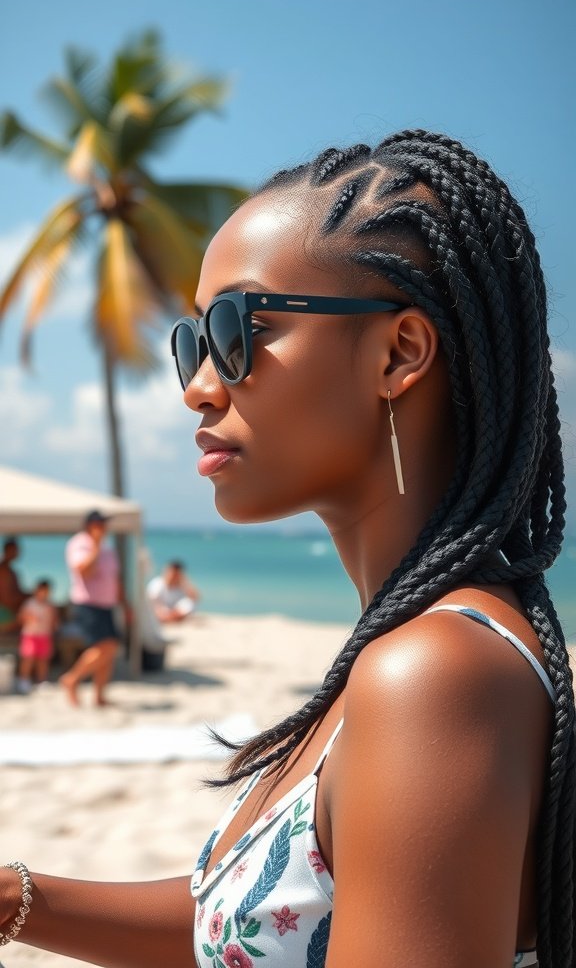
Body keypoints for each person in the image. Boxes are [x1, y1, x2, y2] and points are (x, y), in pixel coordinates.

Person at [0, 129, 573, 968]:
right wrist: (19, 900)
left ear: (399, 353)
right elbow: (250, 926)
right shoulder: (411, 648)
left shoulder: (433, 675)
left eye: (236, 328)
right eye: (191, 343)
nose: (198, 384)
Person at [59, 510, 122, 708]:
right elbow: (84, 572)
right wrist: (95, 545)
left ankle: (99, 696)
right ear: (91, 525)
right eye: (100, 524)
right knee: (104, 647)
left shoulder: (106, 547)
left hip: (107, 605)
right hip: (88, 604)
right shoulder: (79, 543)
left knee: (109, 650)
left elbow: (115, 579)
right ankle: (72, 678)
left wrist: (125, 603)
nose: (104, 527)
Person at [15, 578, 58, 694]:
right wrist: (29, 618)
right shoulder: (29, 603)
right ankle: (23, 680)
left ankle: (42, 681)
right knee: (28, 658)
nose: (44, 593)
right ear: (36, 590)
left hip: (44, 635)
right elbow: (21, 618)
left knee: (43, 659)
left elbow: (54, 620)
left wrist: (54, 625)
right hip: (30, 635)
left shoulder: (50, 605)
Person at [0, 537, 28, 633]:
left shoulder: (10, 571)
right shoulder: (4, 571)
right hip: (4, 614)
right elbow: (7, 599)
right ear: (8, 550)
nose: (18, 552)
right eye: (15, 550)